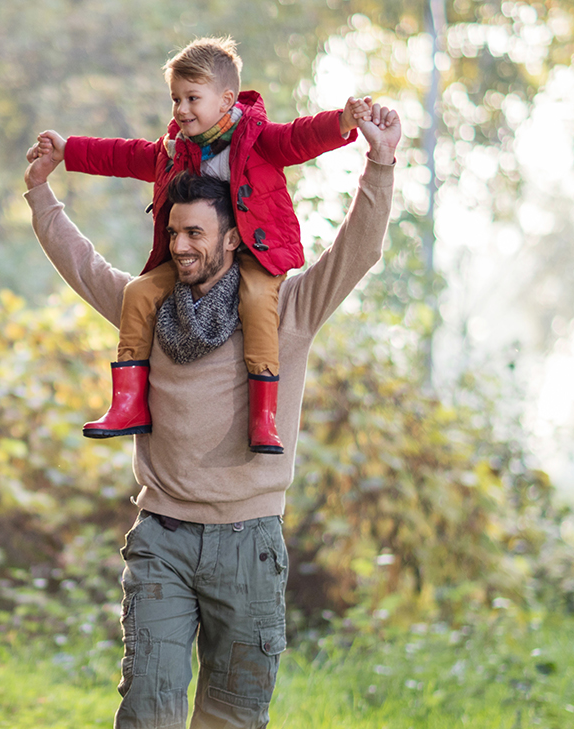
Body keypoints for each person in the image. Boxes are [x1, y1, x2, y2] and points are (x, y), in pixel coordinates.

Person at [24, 104, 401, 729]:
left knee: (234, 712)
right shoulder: (147, 306)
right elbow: (82, 262)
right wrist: (42, 197)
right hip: (161, 535)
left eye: (200, 233)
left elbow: (356, 254)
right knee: (151, 699)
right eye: (177, 234)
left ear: (232, 237)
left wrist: (382, 164)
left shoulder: (286, 310)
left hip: (250, 541)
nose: (185, 246)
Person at [32, 36, 368, 454]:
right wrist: (71, 150)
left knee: (259, 299)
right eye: (176, 99)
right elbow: (127, 155)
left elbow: (299, 138)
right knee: (138, 292)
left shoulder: (256, 140)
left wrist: (342, 122)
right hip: (199, 254)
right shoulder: (177, 150)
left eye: (192, 98)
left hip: (254, 252)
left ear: (227, 99)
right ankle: (129, 401)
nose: (181, 109)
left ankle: (264, 417)